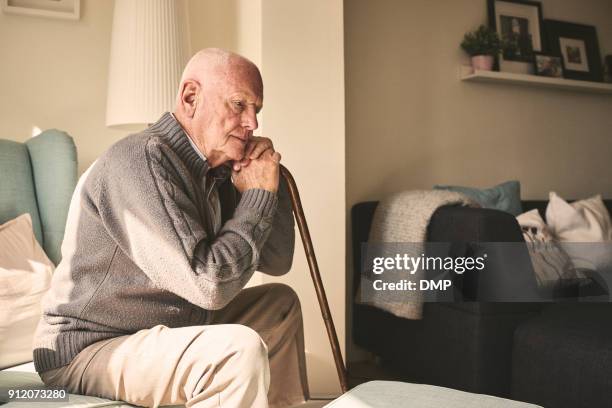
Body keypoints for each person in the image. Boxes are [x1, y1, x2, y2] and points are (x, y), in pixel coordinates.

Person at [33, 48, 309, 408]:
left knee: (280, 304)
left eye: (257, 110)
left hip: (166, 330)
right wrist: (257, 195)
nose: (252, 123)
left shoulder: (218, 168)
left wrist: (267, 185)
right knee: (234, 351)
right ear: (190, 97)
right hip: (90, 349)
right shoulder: (141, 160)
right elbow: (211, 285)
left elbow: (276, 259)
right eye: (239, 105)